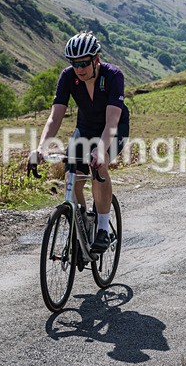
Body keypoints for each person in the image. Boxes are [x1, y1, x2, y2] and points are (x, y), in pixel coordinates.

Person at [28, 31, 130, 253]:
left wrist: (101, 151)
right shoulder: (68, 77)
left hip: (113, 128)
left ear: (96, 59)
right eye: (75, 63)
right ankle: (81, 224)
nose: (79, 68)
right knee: (71, 177)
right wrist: (40, 147)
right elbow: (55, 117)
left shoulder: (113, 76)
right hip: (85, 129)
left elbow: (112, 122)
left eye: (84, 62)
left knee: (98, 167)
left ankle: (103, 229)